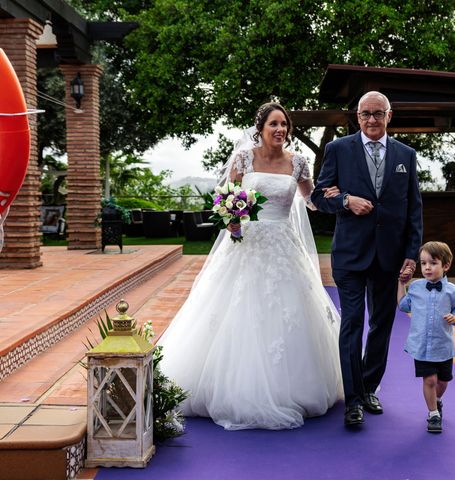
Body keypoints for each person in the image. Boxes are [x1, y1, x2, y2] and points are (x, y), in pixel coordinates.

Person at [159, 102, 343, 430]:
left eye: (284, 124)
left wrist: (331, 197)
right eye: (274, 124)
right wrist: (231, 220)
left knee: (290, 310)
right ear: (260, 128)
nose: (280, 130)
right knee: (238, 309)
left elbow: (311, 200)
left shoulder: (298, 162)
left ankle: (294, 387)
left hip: (285, 247)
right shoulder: (245, 158)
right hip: (248, 246)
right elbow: (227, 197)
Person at [311, 91, 423, 426]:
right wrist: (346, 201)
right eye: (365, 114)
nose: (371, 120)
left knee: (382, 325)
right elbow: (319, 195)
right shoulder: (338, 150)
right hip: (350, 254)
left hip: (388, 257)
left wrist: (410, 255)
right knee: (353, 323)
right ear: (356, 117)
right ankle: (354, 400)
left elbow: (413, 209)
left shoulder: (406, 155)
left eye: (378, 113)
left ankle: (369, 386)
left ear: (390, 115)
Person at [397, 241, 455, 433]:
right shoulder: (417, 287)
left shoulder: (453, 291)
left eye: (433, 263)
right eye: (423, 263)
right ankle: (433, 414)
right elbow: (403, 305)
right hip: (422, 345)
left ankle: (437, 400)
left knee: (443, 381)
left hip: (443, 346)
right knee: (430, 380)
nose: (427, 267)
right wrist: (401, 284)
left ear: (446, 265)